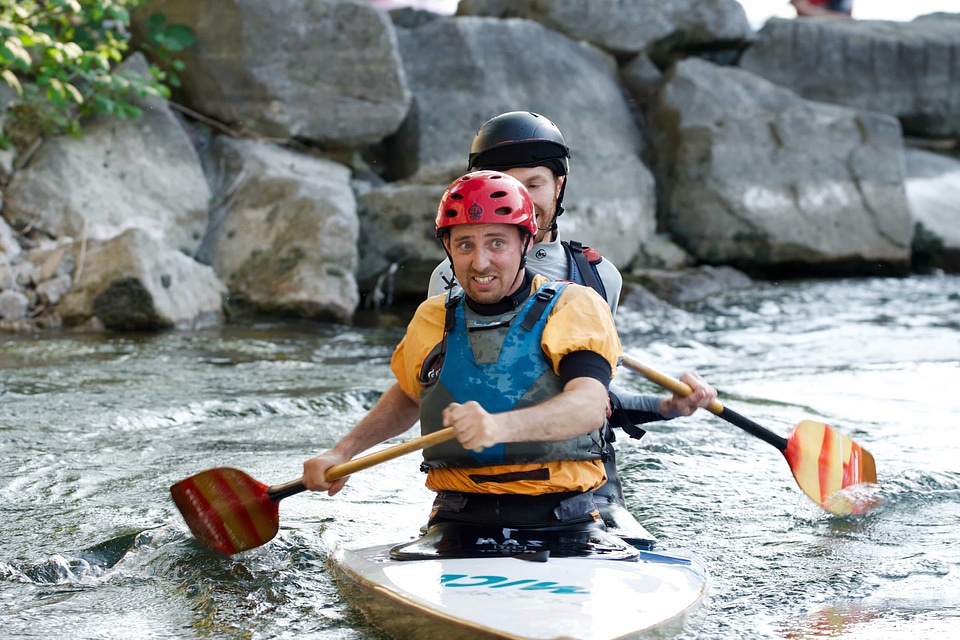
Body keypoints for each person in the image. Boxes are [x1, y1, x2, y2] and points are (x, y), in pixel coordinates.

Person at [303, 171, 716, 553]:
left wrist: (499, 427)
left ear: (526, 243)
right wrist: (344, 452)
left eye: (496, 243)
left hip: (564, 522)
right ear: (448, 249)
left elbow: (590, 405)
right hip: (456, 520)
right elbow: (410, 396)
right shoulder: (432, 316)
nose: (480, 262)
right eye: (465, 244)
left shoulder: (573, 305)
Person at [427, 111, 716, 540]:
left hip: (583, 485)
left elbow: (591, 399)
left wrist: (665, 406)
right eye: (503, 182)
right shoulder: (449, 280)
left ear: (559, 186)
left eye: (533, 184)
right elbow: (443, 393)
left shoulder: (599, 278)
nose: (518, 197)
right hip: (474, 485)